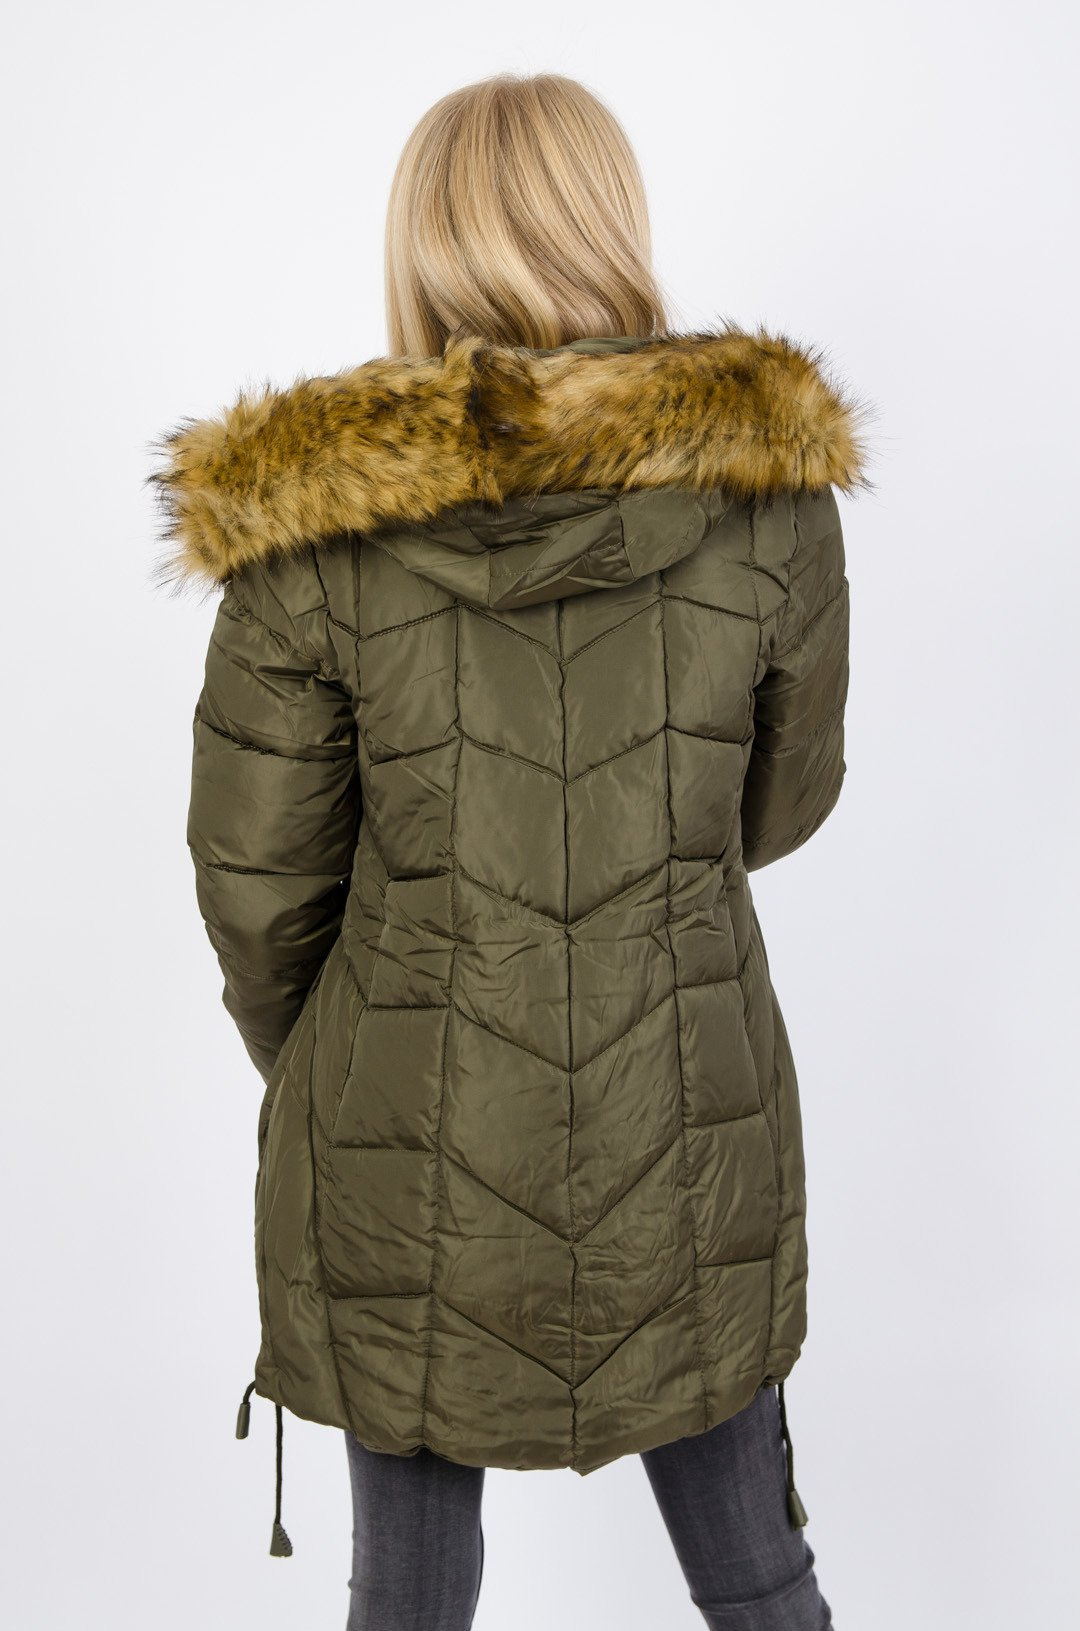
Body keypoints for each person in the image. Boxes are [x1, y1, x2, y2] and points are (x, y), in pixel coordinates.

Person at [151, 70, 867, 1631]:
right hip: (687, 1116)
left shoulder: (311, 528)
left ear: (422, 244)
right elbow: (782, 805)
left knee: (406, 1602)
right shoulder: (768, 503)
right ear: (613, 223)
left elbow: (259, 888)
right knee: (761, 1578)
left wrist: (359, 1061)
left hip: (400, 1137)